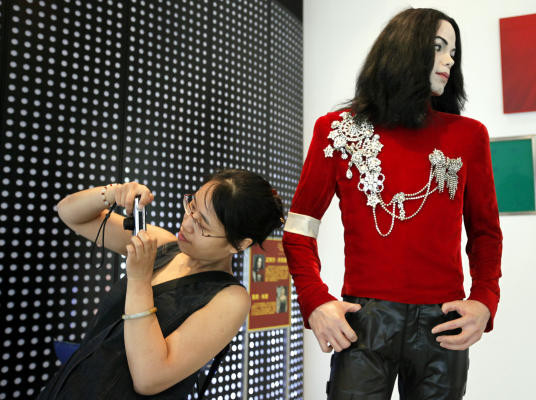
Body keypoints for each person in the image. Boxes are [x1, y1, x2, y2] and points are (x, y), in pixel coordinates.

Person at [283, 8, 502, 400]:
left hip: (442, 323)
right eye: (438, 47)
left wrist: (485, 300)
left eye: (453, 52)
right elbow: (299, 229)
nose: (449, 61)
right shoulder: (338, 130)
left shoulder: (468, 136)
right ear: (405, 49)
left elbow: (485, 233)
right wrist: (314, 301)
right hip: (365, 321)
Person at [39, 169, 284, 399]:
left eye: (202, 224)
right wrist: (114, 193)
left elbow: (149, 378)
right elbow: (69, 213)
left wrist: (139, 280)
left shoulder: (231, 299)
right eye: (192, 206)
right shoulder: (165, 246)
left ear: (239, 244)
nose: (187, 224)